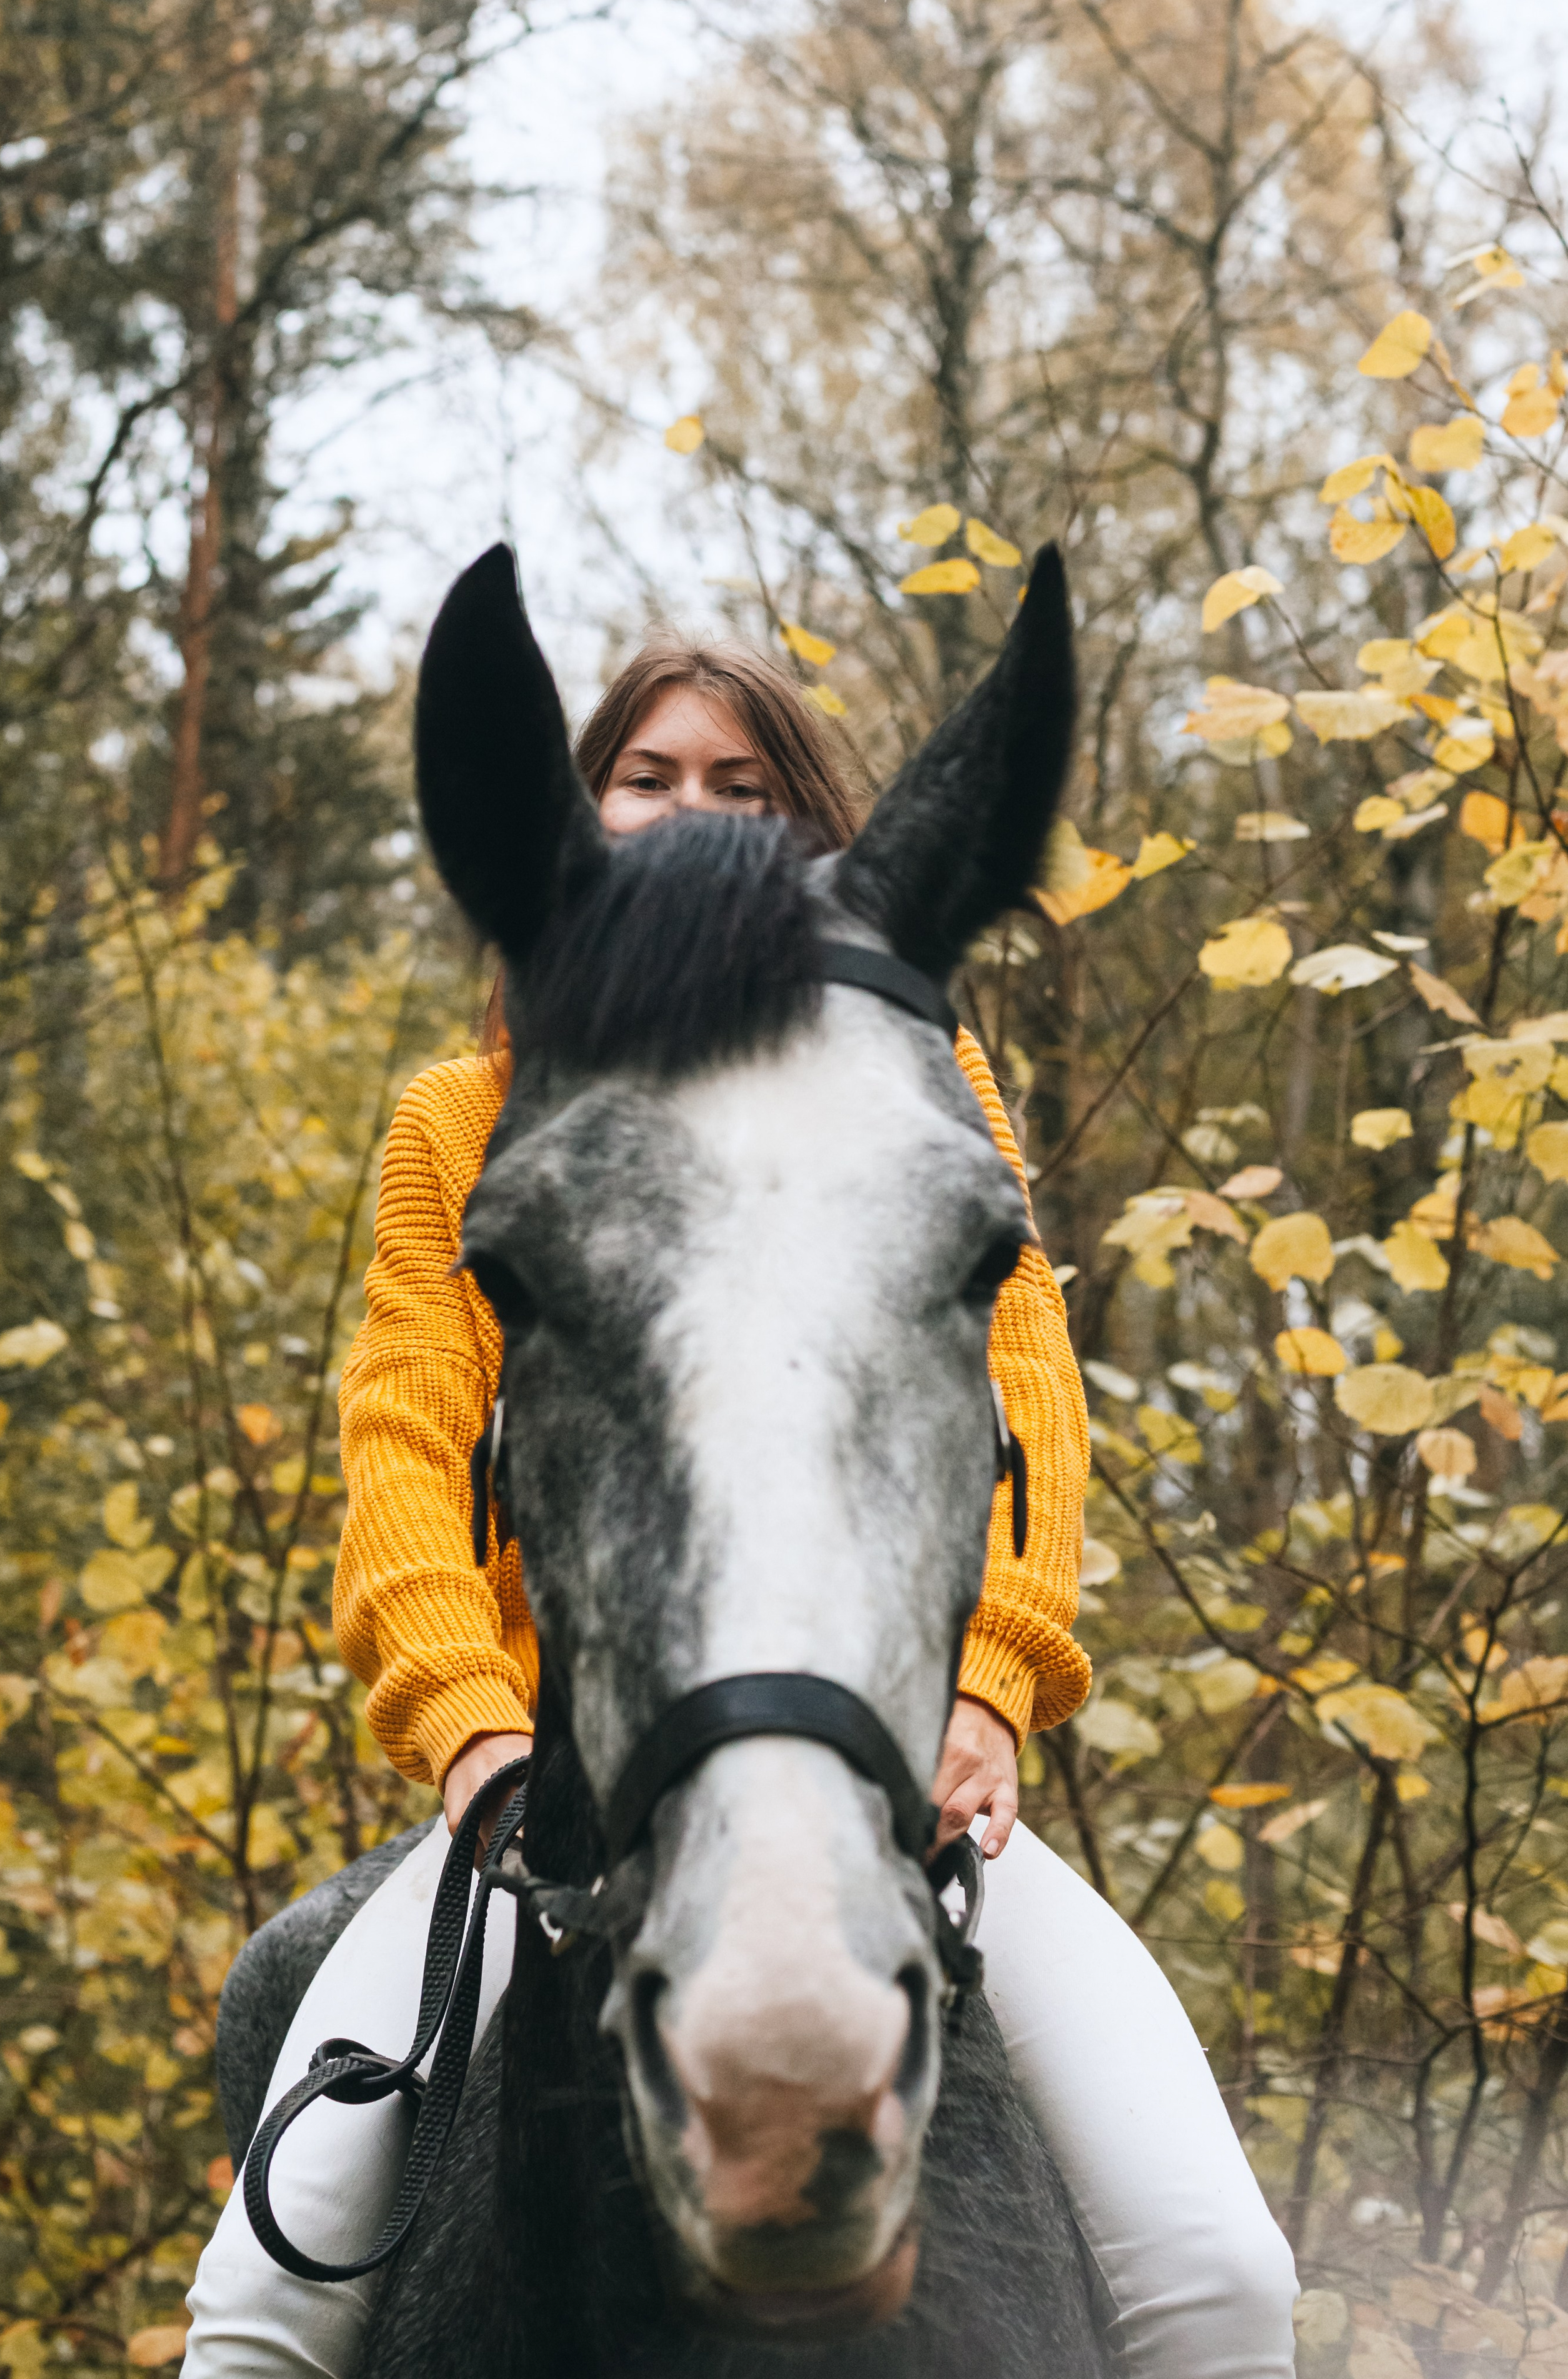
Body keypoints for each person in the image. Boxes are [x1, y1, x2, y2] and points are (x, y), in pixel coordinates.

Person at [184, 637, 1297, 2379]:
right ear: (583, 809)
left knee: (1222, 2281)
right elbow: (406, 1440)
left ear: (809, 831)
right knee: (262, 2317)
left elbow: (1028, 1400)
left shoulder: (926, 1094)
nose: (687, 810)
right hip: (551, 1788)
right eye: (646, 777)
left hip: (883, 1767)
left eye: (742, 785)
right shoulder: (461, 1122)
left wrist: (991, 1688)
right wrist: (477, 1744)